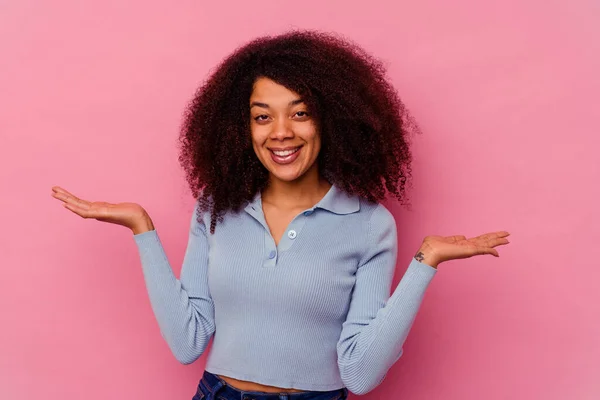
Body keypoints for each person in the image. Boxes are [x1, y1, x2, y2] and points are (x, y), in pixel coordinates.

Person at [51, 30, 510, 399]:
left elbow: (361, 374)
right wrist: (142, 230)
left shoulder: (369, 224)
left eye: (301, 113)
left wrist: (424, 262)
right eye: (262, 116)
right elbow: (187, 342)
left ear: (332, 120)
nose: (282, 133)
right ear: (241, 126)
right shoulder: (215, 207)